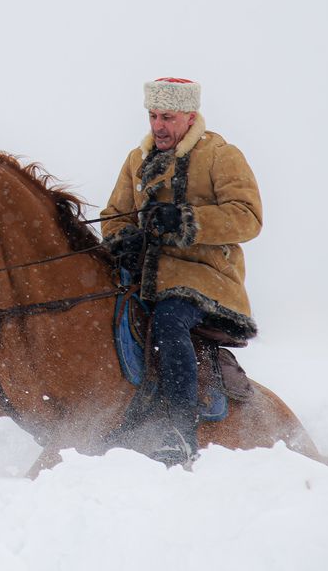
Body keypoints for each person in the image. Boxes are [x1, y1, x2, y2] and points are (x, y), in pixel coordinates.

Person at [100, 77, 263, 466]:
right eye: (153, 115)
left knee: (170, 319)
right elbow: (113, 217)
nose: (158, 125)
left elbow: (249, 217)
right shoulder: (136, 160)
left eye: (168, 117)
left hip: (206, 279)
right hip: (146, 280)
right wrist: (122, 238)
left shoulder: (222, 156)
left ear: (190, 117)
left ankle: (180, 431)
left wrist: (185, 219)